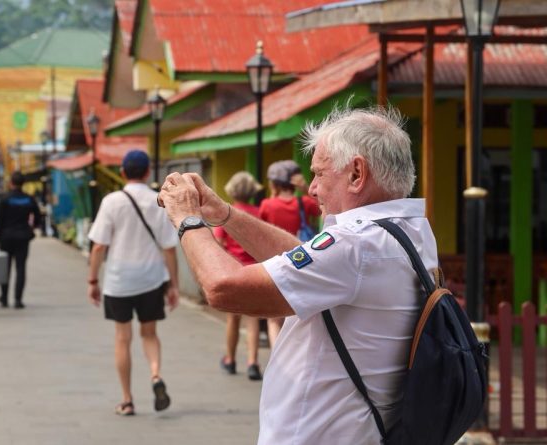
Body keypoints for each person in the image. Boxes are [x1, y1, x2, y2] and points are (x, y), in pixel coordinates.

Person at [158, 107, 431, 444]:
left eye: (319, 173)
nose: (312, 188)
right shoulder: (406, 231)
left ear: (356, 173)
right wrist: (224, 214)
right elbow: (302, 258)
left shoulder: (356, 245)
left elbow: (223, 288)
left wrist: (187, 219)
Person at [87, 150, 179, 417]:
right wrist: (173, 285)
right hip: (151, 278)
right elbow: (169, 248)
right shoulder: (158, 201)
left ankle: (127, 400)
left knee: (122, 338)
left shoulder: (112, 201)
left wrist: (93, 280)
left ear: (122, 172)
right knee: (149, 333)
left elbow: (98, 247)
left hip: (119, 281)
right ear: (148, 172)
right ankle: (155, 374)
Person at [259, 160, 321, 348]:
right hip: (301, 262)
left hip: (274, 264)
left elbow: (261, 231)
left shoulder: (267, 205)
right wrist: (305, 189)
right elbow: (322, 209)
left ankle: (277, 353)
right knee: (297, 314)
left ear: (274, 183)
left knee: (274, 319)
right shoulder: (304, 203)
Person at [214, 172, 263, 381]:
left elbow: (218, 244)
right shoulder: (258, 213)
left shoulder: (226, 213)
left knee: (232, 319)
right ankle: (253, 362)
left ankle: (231, 359)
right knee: (253, 319)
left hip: (234, 272)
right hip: (255, 271)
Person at [0, 171, 41, 309]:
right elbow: (38, 216)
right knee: (21, 268)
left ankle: (4, 298)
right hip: (23, 237)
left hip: (6, 237)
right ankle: (18, 300)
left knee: (5, 268)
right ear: (23, 183)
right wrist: (31, 228)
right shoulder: (28, 199)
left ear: (11, 183)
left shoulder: (4, 199)